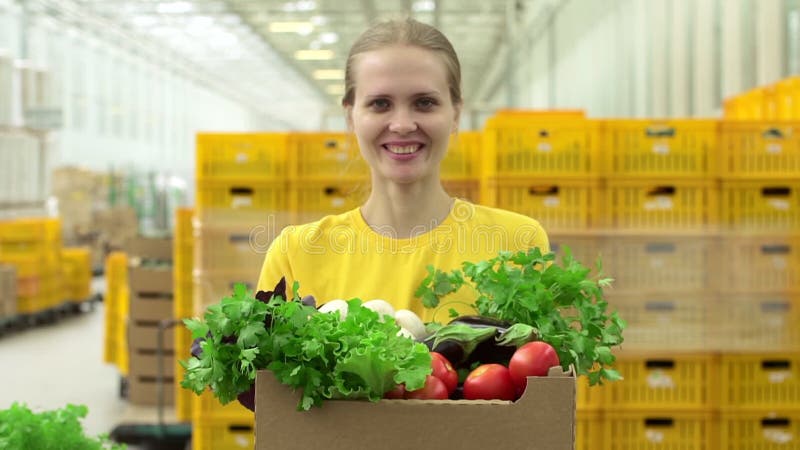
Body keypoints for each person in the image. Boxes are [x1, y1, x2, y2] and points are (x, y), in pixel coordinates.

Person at [257, 17, 549, 323]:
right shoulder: (297, 254)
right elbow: (266, 369)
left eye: (424, 102)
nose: (402, 124)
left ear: (455, 114)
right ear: (350, 116)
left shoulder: (518, 244)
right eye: (380, 104)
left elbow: (543, 367)